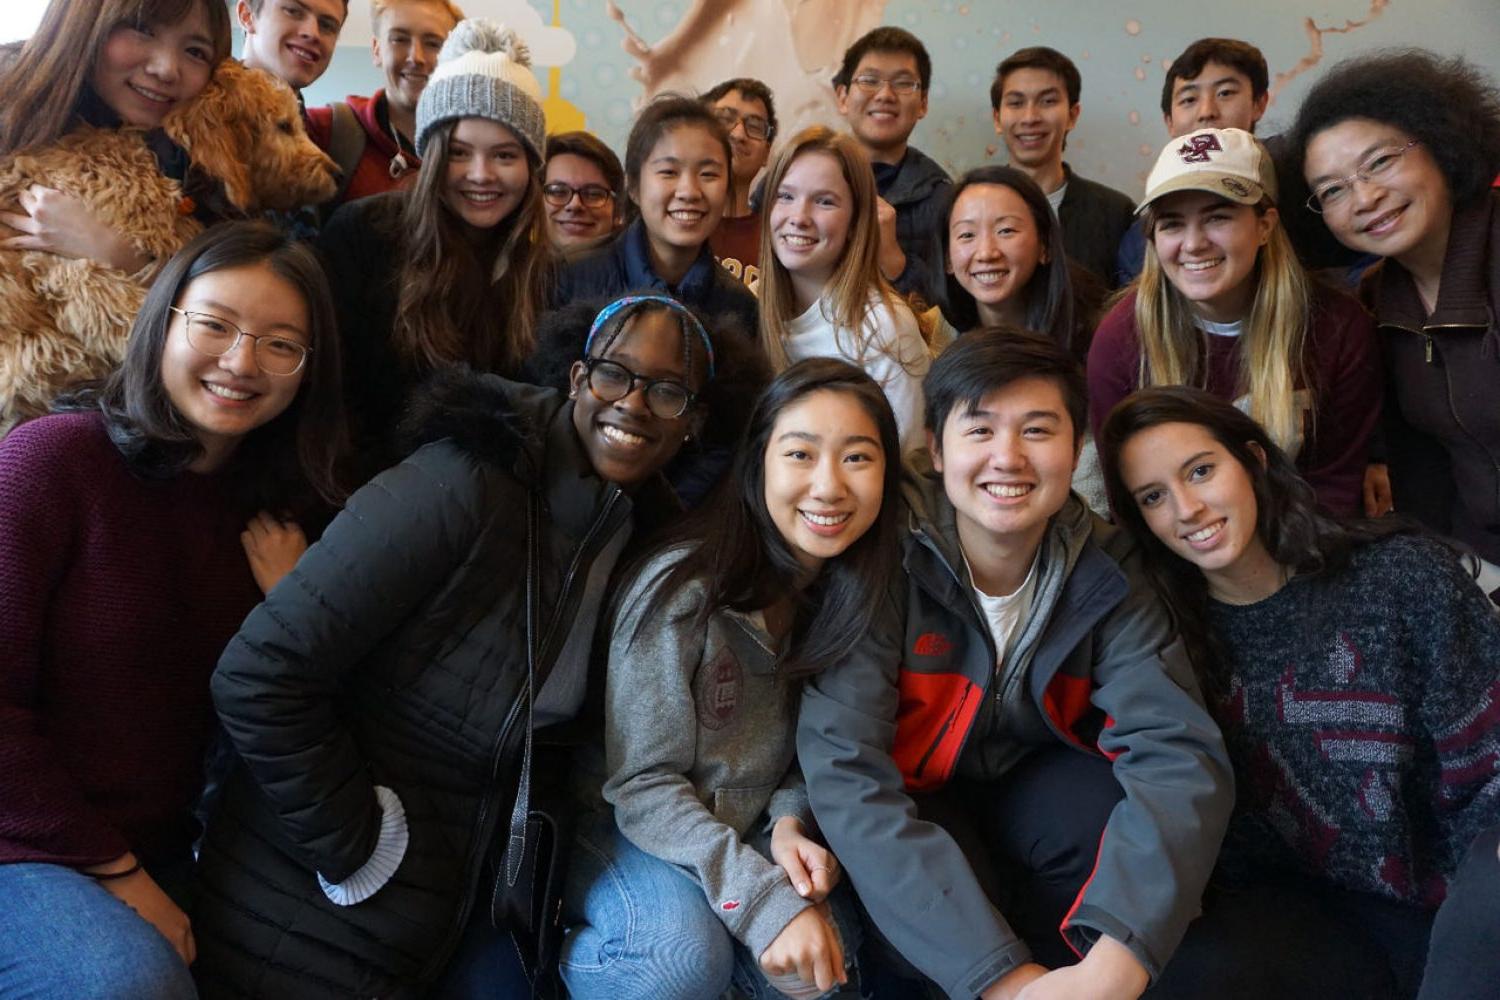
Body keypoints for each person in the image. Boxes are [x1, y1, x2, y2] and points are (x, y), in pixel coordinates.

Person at [191, 291, 756, 998]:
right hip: (315, 891)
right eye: (615, 375)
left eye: (668, 393)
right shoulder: (465, 476)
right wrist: (355, 843)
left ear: (694, 424)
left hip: (464, 892)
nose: (634, 405)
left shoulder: (642, 540)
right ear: (578, 379)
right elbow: (258, 674)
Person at [799, 330, 1233, 1000]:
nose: (1009, 458)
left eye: (1038, 430)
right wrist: (1005, 982)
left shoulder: (1105, 566)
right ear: (936, 451)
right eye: (980, 430)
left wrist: (1115, 969)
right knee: (926, 905)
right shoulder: (885, 556)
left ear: (1075, 449)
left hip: (1036, 780)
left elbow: (1178, 749)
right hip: (916, 793)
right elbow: (846, 774)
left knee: (1094, 813)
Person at [0, 220, 346, 998]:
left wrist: (298, 614)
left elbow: (308, 726)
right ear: (163, 321)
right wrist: (119, 873)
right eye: (215, 325)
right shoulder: (53, 461)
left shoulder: (284, 522)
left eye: (280, 343)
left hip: (169, 846)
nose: (241, 362)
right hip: (23, 836)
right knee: (129, 982)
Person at [1098, 385, 1500, 1000]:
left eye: (1201, 471)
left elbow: (1490, 779)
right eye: (1154, 497)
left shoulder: (1404, 576)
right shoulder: (1168, 643)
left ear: (1254, 462)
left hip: (1458, 898)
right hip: (1311, 922)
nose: (1187, 509)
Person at [561, 358, 899, 1000]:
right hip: (633, 826)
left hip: (751, 829)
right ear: (759, 463)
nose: (828, 487)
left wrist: (790, 823)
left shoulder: (856, 594)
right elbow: (641, 785)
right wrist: (764, 900)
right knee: (678, 964)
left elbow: (821, 751)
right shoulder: (683, 587)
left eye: (857, 458)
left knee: (816, 977)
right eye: (800, 454)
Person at [1088, 127, 1381, 518]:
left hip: (1304, 549)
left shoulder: (1338, 327)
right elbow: (1127, 497)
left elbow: (1333, 488)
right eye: (1172, 224)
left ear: (1265, 225)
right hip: (1175, 556)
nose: (1193, 244)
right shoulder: (1120, 338)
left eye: (1217, 217)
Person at [317, 17, 552, 476]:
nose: (480, 174)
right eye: (459, 153)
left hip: (482, 510)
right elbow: (330, 394)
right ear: (431, 155)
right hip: (363, 499)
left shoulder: (544, 269)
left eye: (504, 155)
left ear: (532, 166)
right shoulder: (366, 234)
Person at [1290, 51, 1500, 562]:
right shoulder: (1378, 300)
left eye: (1380, 162)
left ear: (1441, 143)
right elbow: (1425, 477)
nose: (1363, 198)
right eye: (1333, 190)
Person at [0, 0, 233, 271]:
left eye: (195, 51)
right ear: (86, 20)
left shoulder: (200, 165)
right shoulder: (10, 106)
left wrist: (123, 256)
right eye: (142, 29)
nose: (166, 69)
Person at [758, 126, 930, 457]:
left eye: (824, 201)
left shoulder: (884, 328)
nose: (799, 217)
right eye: (786, 196)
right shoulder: (748, 304)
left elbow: (909, 469)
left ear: (855, 222)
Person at [555, 95, 758, 339]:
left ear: (727, 190)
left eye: (708, 174)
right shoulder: (569, 276)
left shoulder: (740, 306)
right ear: (633, 188)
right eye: (669, 172)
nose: (689, 192)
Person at [1116, 38, 1270, 285]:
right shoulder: (1138, 241)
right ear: (1169, 122)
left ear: (1259, 103)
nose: (1207, 111)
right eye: (1189, 99)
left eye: (1225, 93)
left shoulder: (1301, 193)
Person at [991, 47, 1134, 289]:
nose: (1030, 117)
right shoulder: (971, 209)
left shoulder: (1115, 213)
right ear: (997, 118)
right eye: (1016, 103)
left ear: (1072, 115)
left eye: (1047, 101)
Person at [832, 26, 952, 307]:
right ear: (842, 97)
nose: (885, 94)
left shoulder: (943, 198)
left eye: (903, 83)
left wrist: (895, 261)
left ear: (923, 103)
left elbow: (954, 311)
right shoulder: (799, 176)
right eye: (870, 80)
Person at [305, 0, 464, 207]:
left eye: (433, 44)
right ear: (377, 50)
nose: (416, 57)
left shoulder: (472, 149)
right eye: (399, 39)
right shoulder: (321, 130)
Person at [935, 164, 1103, 359]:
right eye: (967, 235)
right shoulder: (938, 342)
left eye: (1006, 231)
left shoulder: (1095, 339)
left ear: (1045, 246)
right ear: (947, 258)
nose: (986, 253)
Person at [704, 77, 777, 292]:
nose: (738, 134)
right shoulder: (672, 222)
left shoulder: (778, 239)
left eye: (754, 127)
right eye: (725, 119)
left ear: (767, 153)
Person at [236, 0, 347, 99]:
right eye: (292, 11)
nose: (312, 33)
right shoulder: (220, 118)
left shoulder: (330, 120)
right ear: (247, 15)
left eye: (327, 25)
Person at [542, 130, 624, 255]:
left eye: (593, 194)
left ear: (617, 209)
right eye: (558, 191)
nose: (574, 205)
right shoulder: (507, 270)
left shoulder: (641, 272)